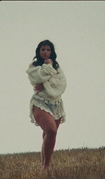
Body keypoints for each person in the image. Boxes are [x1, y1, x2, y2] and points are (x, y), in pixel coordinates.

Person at [26, 40, 67, 171]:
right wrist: (47, 69)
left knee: (48, 134)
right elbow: (37, 78)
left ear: (52, 52)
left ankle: (44, 165)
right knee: (51, 130)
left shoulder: (57, 66)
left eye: (48, 50)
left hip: (56, 103)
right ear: (39, 51)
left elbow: (61, 83)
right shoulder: (34, 66)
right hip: (40, 102)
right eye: (43, 49)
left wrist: (45, 83)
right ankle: (46, 167)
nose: (45, 52)